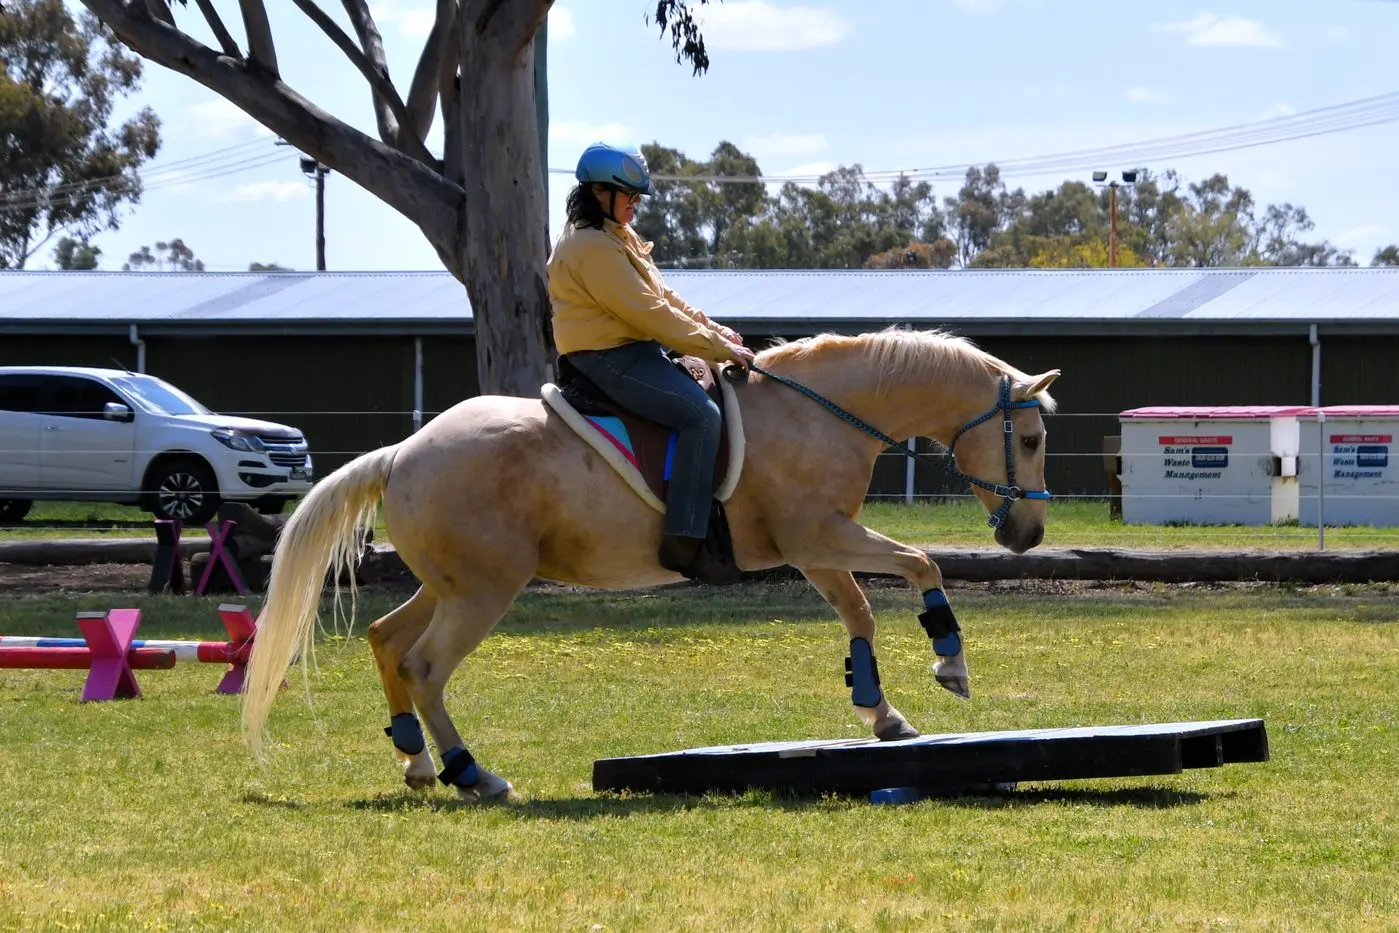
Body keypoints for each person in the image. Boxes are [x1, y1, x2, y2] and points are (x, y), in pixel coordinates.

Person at [547, 142, 755, 581]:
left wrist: (715, 331)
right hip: (606, 359)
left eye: (638, 198)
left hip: (633, 351)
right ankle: (684, 541)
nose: (635, 206)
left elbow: (664, 297)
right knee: (700, 415)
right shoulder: (590, 247)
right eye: (630, 197)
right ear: (600, 193)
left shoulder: (613, 236)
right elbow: (650, 314)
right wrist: (716, 349)